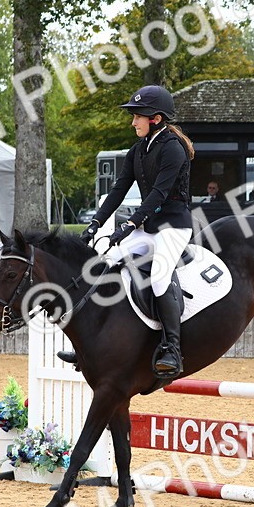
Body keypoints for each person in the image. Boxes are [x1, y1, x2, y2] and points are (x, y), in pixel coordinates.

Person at [77, 85, 193, 378]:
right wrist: (95, 222)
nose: (133, 122)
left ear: (155, 118)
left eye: (137, 117)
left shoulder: (173, 149)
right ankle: (91, 344)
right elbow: (118, 190)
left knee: (158, 277)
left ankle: (172, 348)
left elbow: (159, 195)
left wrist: (128, 225)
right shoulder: (138, 150)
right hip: (149, 226)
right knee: (107, 262)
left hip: (173, 227)